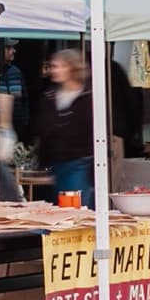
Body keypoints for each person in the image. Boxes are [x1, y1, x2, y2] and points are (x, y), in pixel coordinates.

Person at [28, 47, 99, 203]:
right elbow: (41, 127)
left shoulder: (89, 96)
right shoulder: (49, 96)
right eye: (53, 66)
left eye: (59, 66)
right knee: (60, 206)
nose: (54, 70)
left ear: (72, 68)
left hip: (79, 162)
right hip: (56, 163)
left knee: (73, 206)